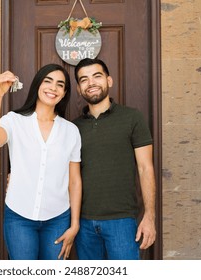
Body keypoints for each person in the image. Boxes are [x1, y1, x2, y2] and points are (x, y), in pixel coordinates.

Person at [0, 64, 82, 260]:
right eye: (48, 81)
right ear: (38, 85)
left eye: (60, 85)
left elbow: (75, 181)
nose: (53, 88)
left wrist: (75, 224)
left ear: (64, 93)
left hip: (58, 218)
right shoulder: (14, 121)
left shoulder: (71, 131)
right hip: (19, 217)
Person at [72, 58, 156, 260]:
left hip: (122, 221)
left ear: (109, 81)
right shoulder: (72, 128)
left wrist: (149, 216)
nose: (91, 83)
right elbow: (57, 168)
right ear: (78, 89)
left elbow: (145, 168)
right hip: (82, 222)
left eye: (97, 76)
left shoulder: (132, 118)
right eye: (84, 79)